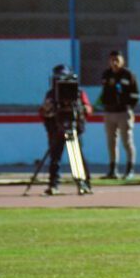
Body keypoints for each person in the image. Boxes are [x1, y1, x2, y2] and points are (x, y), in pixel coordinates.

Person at [39, 64, 93, 196]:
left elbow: (88, 109)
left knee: (77, 156)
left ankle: (84, 183)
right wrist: (47, 109)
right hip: (56, 128)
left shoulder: (78, 92)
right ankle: (53, 184)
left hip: (73, 127)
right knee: (55, 157)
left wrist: (84, 109)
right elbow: (43, 112)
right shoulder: (51, 94)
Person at [99, 50, 140, 180]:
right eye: (112, 59)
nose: (114, 62)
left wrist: (129, 107)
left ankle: (130, 170)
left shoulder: (128, 75)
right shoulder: (106, 74)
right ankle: (113, 170)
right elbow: (104, 92)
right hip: (109, 112)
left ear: (122, 60)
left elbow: (136, 95)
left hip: (123, 112)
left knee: (126, 141)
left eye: (117, 59)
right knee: (111, 142)